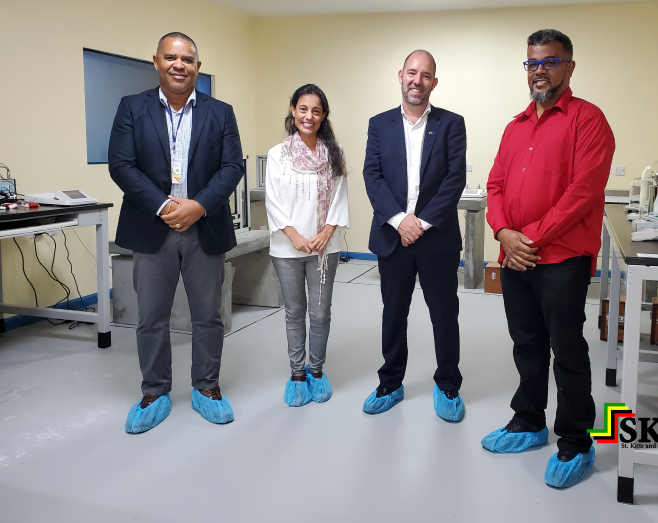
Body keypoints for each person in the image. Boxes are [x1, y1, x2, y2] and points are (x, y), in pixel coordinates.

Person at [482, 29, 615, 488]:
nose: (539, 70)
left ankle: (576, 440)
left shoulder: (588, 120)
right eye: (532, 62)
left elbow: (583, 192)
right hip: (516, 257)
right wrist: (504, 233)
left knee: (567, 350)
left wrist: (528, 239)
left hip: (561, 258)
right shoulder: (515, 126)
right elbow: (495, 184)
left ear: (569, 67)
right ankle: (529, 421)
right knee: (527, 344)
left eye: (549, 62)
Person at [108, 32, 244, 434]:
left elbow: (232, 167)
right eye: (170, 57)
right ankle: (154, 391)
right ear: (156, 61)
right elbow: (121, 164)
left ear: (198, 67)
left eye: (187, 59)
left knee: (208, 316)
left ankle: (207, 387)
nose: (178, 65)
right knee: (151, 317)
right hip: (153, 227)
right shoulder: (132, 107)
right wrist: (165, 206)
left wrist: (198, 206)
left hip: (205, 226)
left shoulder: (221, 113)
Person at [362, 50, 467, 422]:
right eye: (411, 72)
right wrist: (398, 220)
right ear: (400, 76)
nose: (417, 80)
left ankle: (448, 383)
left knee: (444, 314)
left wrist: (419, 224)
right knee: (393, 313)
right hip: (393, 238)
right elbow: (372, 176)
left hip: (436, 238)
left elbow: (455, 179)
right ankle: (390, 382)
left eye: (425, 75)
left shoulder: (451, 124)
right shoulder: (380, 124)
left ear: (433, 83)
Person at [264, 84, 350, 407]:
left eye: (316, 110)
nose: (309, 116)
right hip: (287, 248)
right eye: (303, 109)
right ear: (293, 110)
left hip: (324, 248)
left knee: (321, 311)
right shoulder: (278, 154)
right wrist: (294, 236)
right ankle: (297, 374)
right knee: (294, 312)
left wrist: (326, 232)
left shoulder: (335, 152)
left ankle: (316, 371)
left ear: (324, 115)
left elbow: (340, 196)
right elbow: (273, 200)